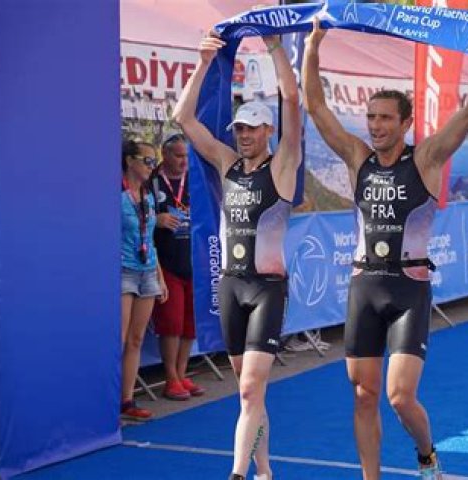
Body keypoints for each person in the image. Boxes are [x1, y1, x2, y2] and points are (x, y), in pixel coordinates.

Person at [302, 18, 468, 480]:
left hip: (409, 289)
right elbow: (316, 106)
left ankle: (427, 454)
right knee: (363, 395)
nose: (376, 126)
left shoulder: (425, 158)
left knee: (399, 397)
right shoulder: (357, 157)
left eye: (386, 118)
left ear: (406, 123)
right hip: (364, 286)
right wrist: (314, 43)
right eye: (371, 117)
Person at [172, 30, 301, 480]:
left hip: (267, 288)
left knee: (248, 391)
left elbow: (292, 99)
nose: (244, 135)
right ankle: (264, 471)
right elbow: (183, 118)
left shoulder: (283, 165)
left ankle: (238, 474)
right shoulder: (227, 164)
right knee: (251, 394)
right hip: (231, 286)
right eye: (239, 129)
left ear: (268, 130)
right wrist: (203, 62)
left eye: (251, 128)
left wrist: (275, 46)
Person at [151, 133, 206, 400]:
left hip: (192, 260)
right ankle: (170, 377)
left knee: (189, 324)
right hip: (165, 262)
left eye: (187, 156)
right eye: (178, 156)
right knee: (171, 323)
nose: (184, 161)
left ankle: (182, 374)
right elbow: (133, 214)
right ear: (164, 155)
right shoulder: (152, 182)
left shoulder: (194, 180)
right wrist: (156, 219)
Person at [121, 139, 169, 421]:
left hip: (147, 271)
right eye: (147, 161)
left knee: (136, 339)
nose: (152, 167)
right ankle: (108, 399)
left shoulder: (148, 197)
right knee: (119, 338)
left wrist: (159, 277)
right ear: (130, 161)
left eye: (154, 162)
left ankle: (127, 400)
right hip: (124, 270)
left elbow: (150, 239)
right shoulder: (117, 196)